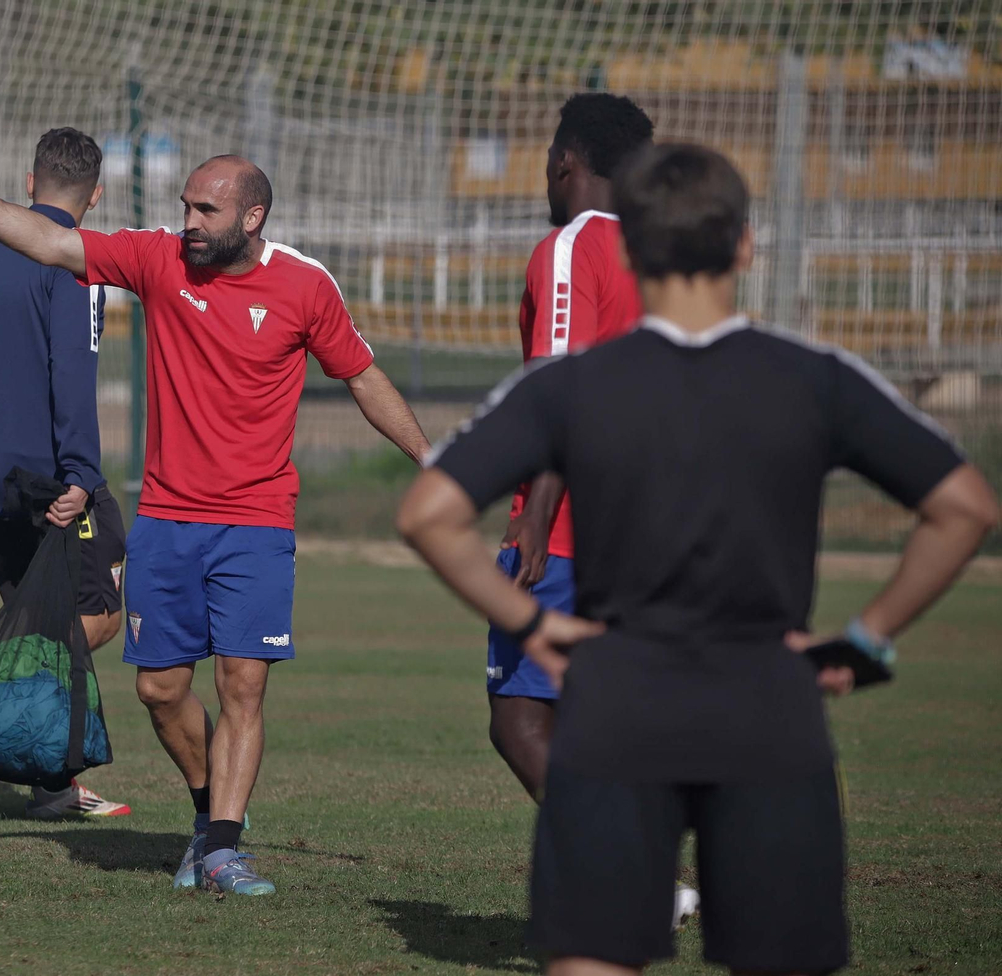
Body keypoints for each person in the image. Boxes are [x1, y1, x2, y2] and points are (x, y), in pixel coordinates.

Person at [398, 143, 998, 976]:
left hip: (616, 705)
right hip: (768, 711)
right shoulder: (816, 378)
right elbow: (965, 507)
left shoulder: (566, 386)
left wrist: (530, 621)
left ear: (633, 250)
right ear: (746, 245)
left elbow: (428, 513)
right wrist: (868, 638)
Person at [0, 131, 431, 895]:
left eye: (207, 209)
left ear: (254, 218)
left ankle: (222, 848)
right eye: (185, 205)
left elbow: (365, 378)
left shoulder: (306, 287)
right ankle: (208, 820)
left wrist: (431, 462)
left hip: (257, 521)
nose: (189, 221)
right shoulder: (155, 260)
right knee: (160, 690)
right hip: (168, 522)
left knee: (243, 683)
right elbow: (47, 240)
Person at [0, 127, 131, 819]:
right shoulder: (74, 263)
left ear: (28, 181)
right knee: (98, 618)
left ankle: (52, 783)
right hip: (51, 485)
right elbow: (71, 373)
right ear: (94, 196)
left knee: (44, 617)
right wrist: (79, 474)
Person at [490, 93, 654, 801]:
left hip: (567, 529)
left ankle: (632, 877)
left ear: (565, 161)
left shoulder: (572, 247)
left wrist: (536, 515)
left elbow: (562, 387)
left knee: (519, 719)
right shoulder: (664, 252)